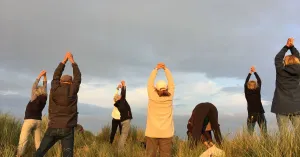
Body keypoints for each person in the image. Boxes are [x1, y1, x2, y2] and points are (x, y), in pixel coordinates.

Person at [35, 52, 81, 157]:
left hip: (53, 126)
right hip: (67, 128)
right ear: (70, 83)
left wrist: (64, 60)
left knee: (40, 152)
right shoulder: (72, 90)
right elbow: (77, 77)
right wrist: (72, 61)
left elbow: (56, 75)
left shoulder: (55, 88)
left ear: (60, 81)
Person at [145, 62, 175, 157]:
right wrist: (166, 69)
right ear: (166, 89)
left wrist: (156, 69)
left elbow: (150, 84)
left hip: (152, 132)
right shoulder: (169, 97)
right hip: (166, 133)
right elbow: (172, 84)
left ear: (156, 89)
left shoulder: (152, 96)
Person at [271, 38, 300, 136]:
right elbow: (298, 57)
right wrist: (292, 47)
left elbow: (277, 58)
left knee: (284, 135)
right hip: (297, 106)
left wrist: (286, 47)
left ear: (285, 62)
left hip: (281, 106)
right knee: (299, 135)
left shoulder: (281, 71)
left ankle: (285, 152)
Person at [17, 70, 48, 157]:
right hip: (38, 121)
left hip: (29, 121)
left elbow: (34, 86)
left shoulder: (34, 97)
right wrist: (45, 77)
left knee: (23, 140)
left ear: (36, 91)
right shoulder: (44, 98)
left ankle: (19, 155)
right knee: (38, 142)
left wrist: (40, 75)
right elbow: (45, 86)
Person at [244, 66, 267, 136]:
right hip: (260, 112)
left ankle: (249, 145)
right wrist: (254, 72)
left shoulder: (247, 93)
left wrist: (250, 73)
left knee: (250, 133)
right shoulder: (257, 91)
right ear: (255, 86)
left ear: (248, 86)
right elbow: (259, 81)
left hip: (251, 113)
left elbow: (245, 83)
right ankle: (266, 143)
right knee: (264, 132)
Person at [113, 80, 133, 153]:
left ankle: (120, 149)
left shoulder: (118, 103)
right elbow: (123, 93)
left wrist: (119, 88)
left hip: (123, 120)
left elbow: (121, 95)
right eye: (119, 96)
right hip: (126, 120)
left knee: (123, 135)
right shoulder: (121, 101)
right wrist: (124, 85)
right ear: (118, 98)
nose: (120, 96)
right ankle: (120, 151)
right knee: (124, 135)